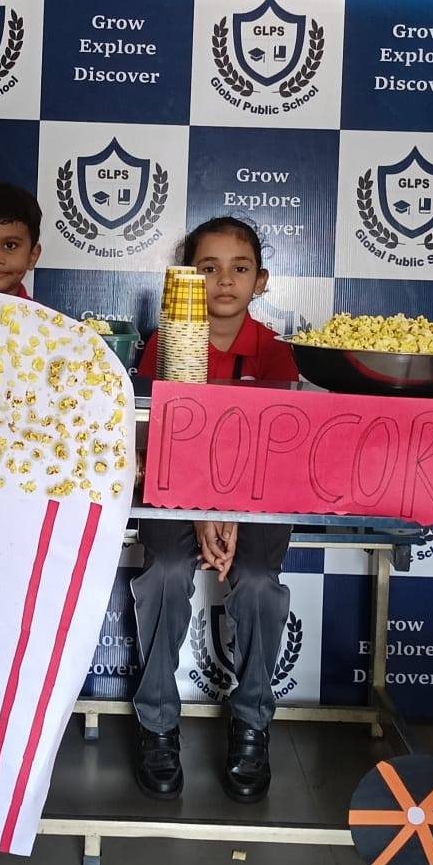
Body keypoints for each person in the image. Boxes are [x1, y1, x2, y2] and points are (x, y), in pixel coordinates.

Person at [132, 216, 298, 803]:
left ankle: (252, 722)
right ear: (186, 279)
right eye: (208, 269)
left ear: (261, 281)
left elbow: (278, 448)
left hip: (255, 497)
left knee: (258, 584)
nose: (224, 280)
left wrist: (226, 507)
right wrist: (202, 507)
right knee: (165, 575)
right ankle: (157, 725)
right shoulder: (162, 345)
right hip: (175, 491)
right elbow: (154, 440)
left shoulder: (277, 354)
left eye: (239, 268)